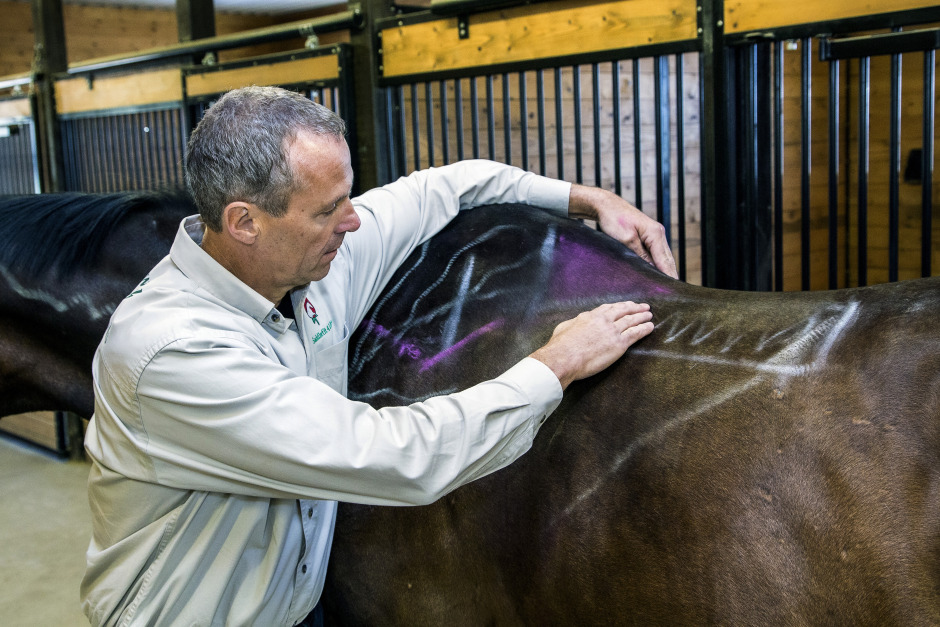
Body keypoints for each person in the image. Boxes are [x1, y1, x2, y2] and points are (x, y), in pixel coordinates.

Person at [80, 85, 678, 626]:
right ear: (244, 222)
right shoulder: (172, 351)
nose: (354, 220)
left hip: (293, 607)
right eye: (326, 210)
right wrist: (557, 364)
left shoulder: (304, 268)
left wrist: (586, 198)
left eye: (347, 195)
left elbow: (442, 187)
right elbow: (395, 456)